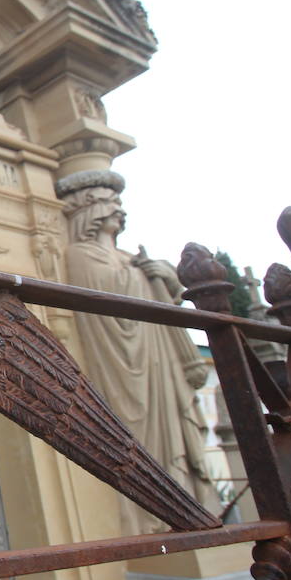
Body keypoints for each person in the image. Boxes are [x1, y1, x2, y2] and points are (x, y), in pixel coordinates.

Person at [60, 171, 220, 535]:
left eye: (119, 205)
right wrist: (144, 274)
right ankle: (155, 511)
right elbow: (106, 296)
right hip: (125, 360)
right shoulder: (80, 253)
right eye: (110, 204)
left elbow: (171, 295)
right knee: (142, 435)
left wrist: (161, 271)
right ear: (92, 212)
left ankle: (184, 504)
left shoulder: (128, 256)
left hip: (155, 352)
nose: (119, 211)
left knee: (173, 430)